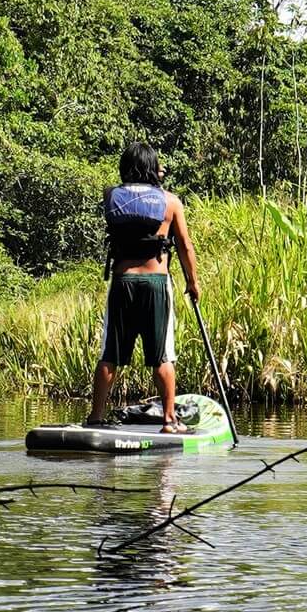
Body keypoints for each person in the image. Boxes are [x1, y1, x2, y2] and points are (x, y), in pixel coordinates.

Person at [85, 145, 203, 433]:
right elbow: (185, 245)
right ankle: (169, 421)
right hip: (156, 283)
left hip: (123, 281)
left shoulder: (110, 195)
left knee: (110, 353)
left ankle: (96, 417)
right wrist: (193, 282)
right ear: (154, 169)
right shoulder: (171, 202)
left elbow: (130, 203)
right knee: (162, 354)